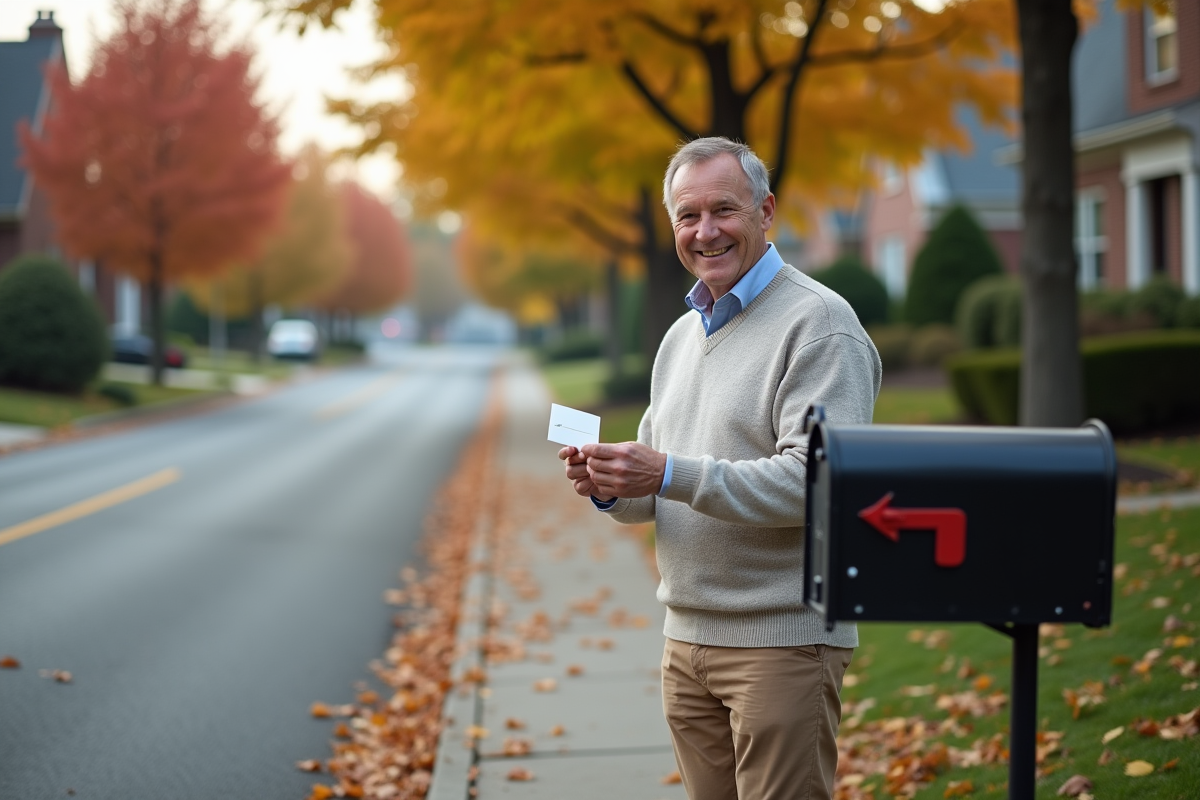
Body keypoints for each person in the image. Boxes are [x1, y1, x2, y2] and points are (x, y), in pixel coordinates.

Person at [558, 137, 881, 800]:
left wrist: (667, 473)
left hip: (782, 641)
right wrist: (610, 485)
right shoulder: (680, 337)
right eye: (688, 215)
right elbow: (659, 490)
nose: (705, 231)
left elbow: (817, 484)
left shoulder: (820, 324)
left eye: (724, 210)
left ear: (766, 211)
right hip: (686, 641)